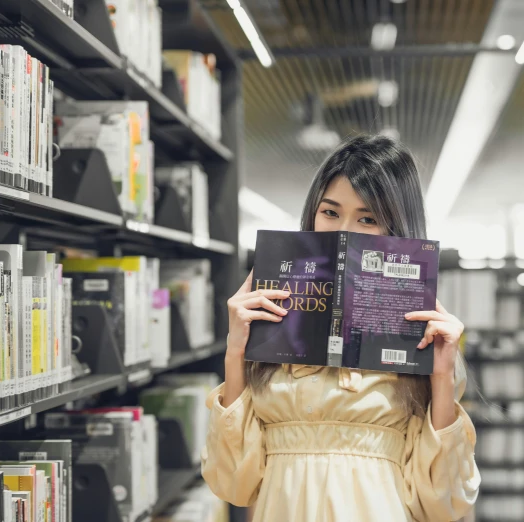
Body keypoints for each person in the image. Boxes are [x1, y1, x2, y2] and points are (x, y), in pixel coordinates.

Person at [201, 135, 481, 522]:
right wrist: (236, 351)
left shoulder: (421, 339)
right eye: (330, 212)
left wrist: (443, 375)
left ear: (397, 229)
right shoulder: (272, 324)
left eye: (367, 218)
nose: (343, 231)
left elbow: (443, 502)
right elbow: (233, 485)